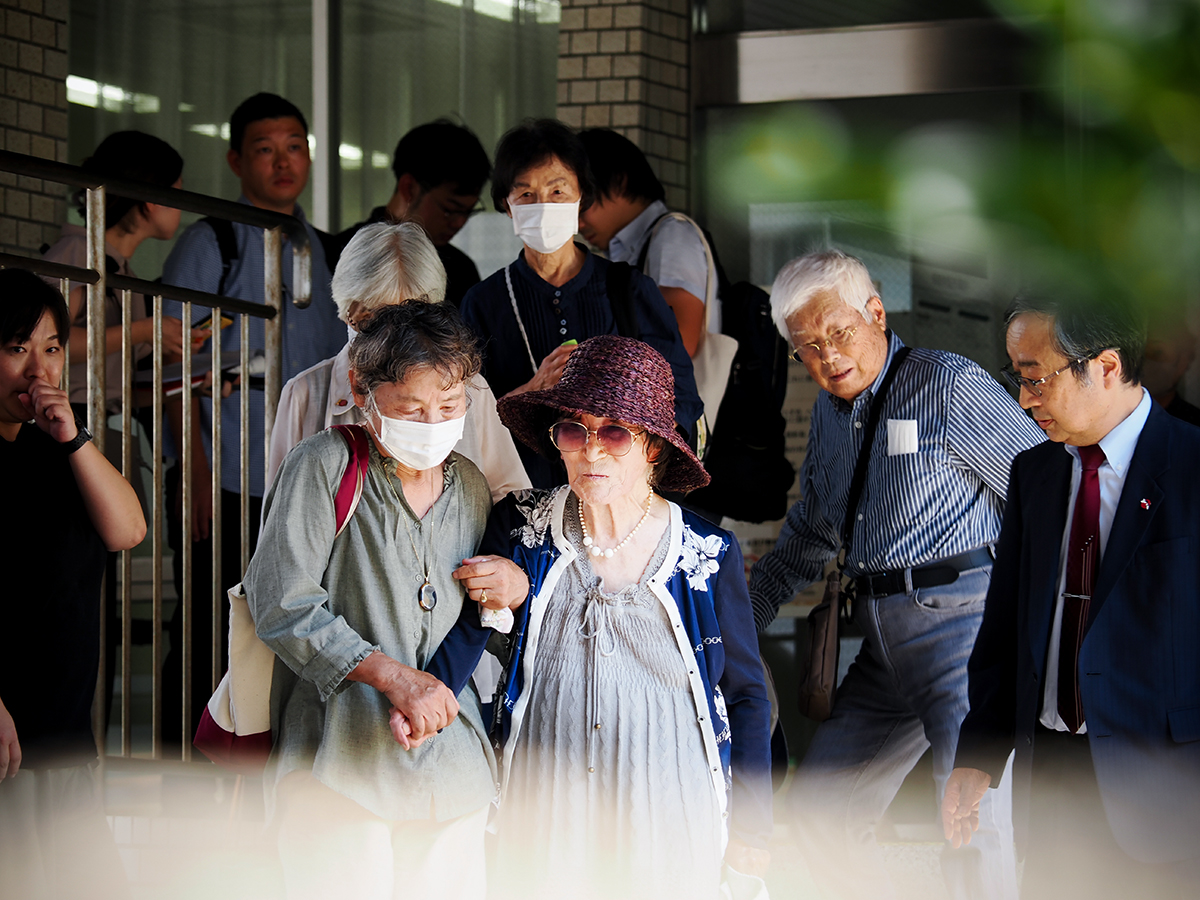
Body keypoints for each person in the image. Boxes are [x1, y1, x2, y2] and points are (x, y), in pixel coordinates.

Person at [427, 335, 772, 900]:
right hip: (545, 815)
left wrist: (754, 827)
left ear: (653, 449)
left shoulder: (707, 553)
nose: (592, 451)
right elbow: (468, 636)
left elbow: (747, 694)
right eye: (573, 430)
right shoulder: (520, 529)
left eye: (615, 432)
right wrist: (423, 697)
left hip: (668, 814)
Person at [747, 250, 1046, 900]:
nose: (827, 356)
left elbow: (1041, 498)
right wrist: (734, 625)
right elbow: (810, 535)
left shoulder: (948, 385)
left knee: (972, 818)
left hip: (963, 629)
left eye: (839, 333)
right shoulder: (829, 417)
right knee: (820, 810)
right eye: (808, 347)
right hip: (880, 642)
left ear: (875, 312)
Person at [244, 301, 528, 900]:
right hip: (339, 764)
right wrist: (396, 679)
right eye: (410, 408)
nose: (432, 425)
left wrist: (511, 590)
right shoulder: (323, 466)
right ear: (361, 389)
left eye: (449, 408)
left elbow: (482, 626)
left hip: (451, 769)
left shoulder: (472, 484)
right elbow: (281, 603)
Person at [943, 293, 1200, 899]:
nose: (1024, 398)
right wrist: (979, 751)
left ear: (1106, 367)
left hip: (1164, 788)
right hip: (1052, 774)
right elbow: (1007, 624)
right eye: (1017, 377)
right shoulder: (1035, 472)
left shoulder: (1191, 467)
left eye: (1037, 378)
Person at [160, 92, 345, 745]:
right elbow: (171, 365)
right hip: (226, 480)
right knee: (209, 632)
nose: (282, 161)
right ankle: (184, 770)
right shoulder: (211, 241)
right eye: (265, 149)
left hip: (304, 487)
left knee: (283, 629)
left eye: (294, 146)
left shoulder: (321, 250)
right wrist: (195, 468)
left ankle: (259, 773)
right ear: (237, 160)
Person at [0, 269, 146, 899]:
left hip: (64, 739)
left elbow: (128, 530)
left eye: (52, 348)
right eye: (15, 348)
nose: (38, 370)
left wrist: (73, 438)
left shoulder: (59, 449)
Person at [458, 118, 701, 489]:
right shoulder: (483, 302)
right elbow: (459, 418)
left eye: (557, 192)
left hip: (620, 502)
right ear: (506, 206)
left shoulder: (629, 289)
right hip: (522, 500)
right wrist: (528, 393)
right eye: (526, 195)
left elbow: (679, 396)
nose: (542, 206)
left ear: (581, 197)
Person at [267, 221, 528, 499]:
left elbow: (510, 498)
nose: (399, 341)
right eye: (380, 322)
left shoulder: (467, 387)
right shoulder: (306, 394)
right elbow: (282, 517)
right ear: (351, 314)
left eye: (416, 319)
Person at [578, 127, 711, 357]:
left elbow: (677, 344)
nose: (577, 224)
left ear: (619, 181)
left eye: (583, 204)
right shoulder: (630, 248)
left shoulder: (671, 237)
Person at [330, 119, 490, 308]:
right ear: (409, 188)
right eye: (449, 210)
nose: (459, 223)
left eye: (468, 212)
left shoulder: (461, 271)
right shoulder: (340, 254)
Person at [1140, 317, 1200, 426]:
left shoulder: (1193, 428)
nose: (1145, 361)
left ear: (1183, 362)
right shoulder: (1111, 421)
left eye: (1157, 353)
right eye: (1139, 352)